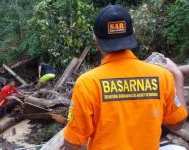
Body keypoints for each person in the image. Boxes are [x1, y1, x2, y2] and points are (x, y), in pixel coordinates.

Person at [61, 5, 188, 150]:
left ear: (95, 39)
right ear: (133, 33)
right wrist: (177, 77)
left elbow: (72, 143)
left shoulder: (87, 83)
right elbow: (178, 123)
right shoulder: (162, 77)